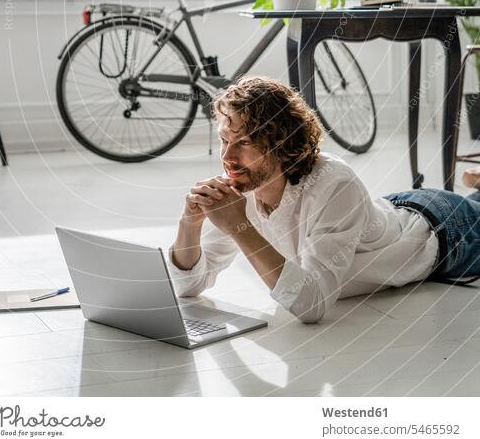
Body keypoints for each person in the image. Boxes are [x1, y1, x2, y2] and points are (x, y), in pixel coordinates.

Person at [169, 76, 480, 324]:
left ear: (282, 143)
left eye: (245, 142)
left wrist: (239, 226)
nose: (227, 157)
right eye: (225, 140)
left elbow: (312, 305)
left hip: (445, 231)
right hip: (385, 212)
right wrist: (190, 222)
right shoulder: (243, 184)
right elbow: (187, 286)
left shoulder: (333, 182)